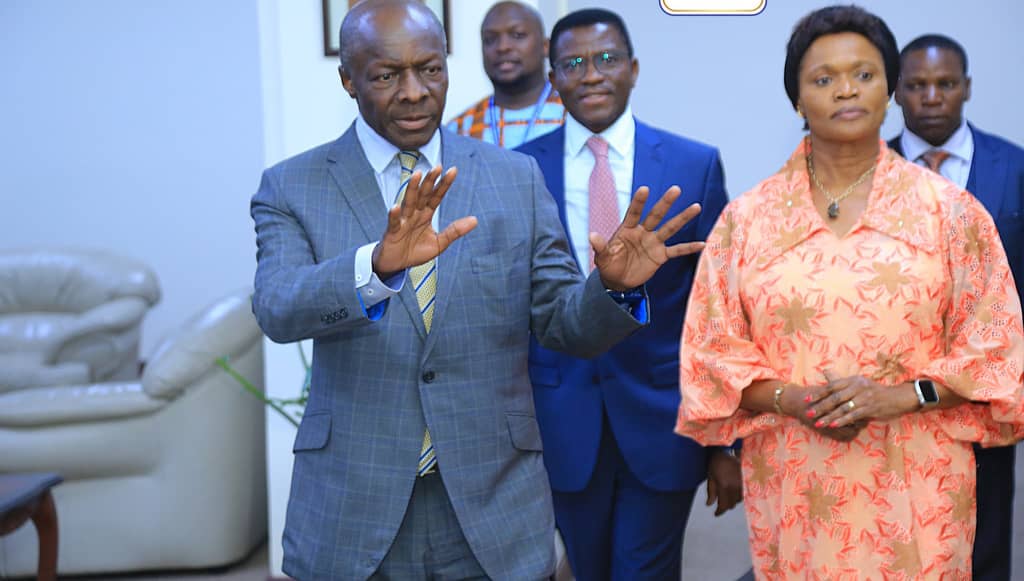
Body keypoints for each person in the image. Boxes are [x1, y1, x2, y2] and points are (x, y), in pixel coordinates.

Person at [250, 1, 707, 579]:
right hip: (354, 499)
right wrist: (376, 265)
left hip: (493, 501)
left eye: (431, 69)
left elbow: (564, 323)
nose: (415, 92)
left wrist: (610, 288)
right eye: (388, 75)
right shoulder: (292, 185)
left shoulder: (514, 177)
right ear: (349, 80)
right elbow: (278, 308)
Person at [674, 5, 1024, 579]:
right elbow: (711, 357)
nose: (845, 90)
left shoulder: (952, 213)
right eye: (823, 78)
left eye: (864, 74)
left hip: (918, 484)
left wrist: (902, 395)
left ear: (889, 90)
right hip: (796, 482)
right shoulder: (749, 221)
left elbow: (996, 355)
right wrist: (795, 401)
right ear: (796, 100)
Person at [515, 8, 740, 580]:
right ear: (553, 78)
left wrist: (727, 440)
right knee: (588, 570)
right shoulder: (517, 172)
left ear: (634, 69)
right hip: (559, 416)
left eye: (607, 59)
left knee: (645, 570)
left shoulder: (694, 164)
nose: (592, 74)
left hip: (664, 415)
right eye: (573, 63)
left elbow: (718, 309)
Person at [888, 35, 1024, 579]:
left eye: (945, 84)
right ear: (897, 93)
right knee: (897, 535)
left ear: (966, 88)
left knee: (986, 535)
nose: (932, 97)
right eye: (917, 85)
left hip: (986, 388)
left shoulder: (1014, 168)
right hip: (892, 392)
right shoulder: (867, 171)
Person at [446, 1, 564, 148]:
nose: (503, 47)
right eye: (490, 39)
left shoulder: (573, 115)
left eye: (517, 35)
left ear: (545, 46)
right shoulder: (458, 130)